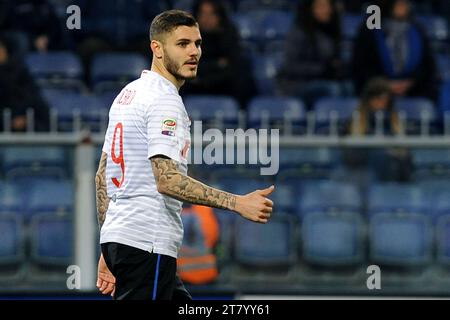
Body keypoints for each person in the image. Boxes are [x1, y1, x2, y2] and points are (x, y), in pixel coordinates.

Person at [95, 10, 274, 300]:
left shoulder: (128, 94)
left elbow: (102, 175)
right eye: (182, 44)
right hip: (147, 243)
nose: (193, 52)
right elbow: (167, 181)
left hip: (128, 240)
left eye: (197, 43)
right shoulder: (164, 100)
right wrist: (237, 202)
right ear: (157, 48)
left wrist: (110, 241)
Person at [352, 0, 437, 100]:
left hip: (414, 90)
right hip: (376, 91)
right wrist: (385, 84)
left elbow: (428, 66)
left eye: (405, 3)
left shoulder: (418, 30)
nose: (403, 6)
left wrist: (411, 82)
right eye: (399, 3)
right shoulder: (369, 31)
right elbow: (360, 67)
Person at [181, 0, 255, 108]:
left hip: (225, 86)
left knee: (242, 75)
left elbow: (234, 64)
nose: (207, 19)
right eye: (203, 14)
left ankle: (240, 119)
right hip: (194, 87)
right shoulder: (188, 37)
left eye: (211, 14)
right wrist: (217, 64)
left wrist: (205, 70)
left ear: (219, 15)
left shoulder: (229, 34)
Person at [277, 0, 345, 108]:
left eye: (328, 6)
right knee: (333, 89)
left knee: (348, 87)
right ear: (310, 9)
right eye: (321, 6)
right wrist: (322, 69)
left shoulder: (332, 32)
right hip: (297, 85)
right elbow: (290, 66)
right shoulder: (299, 32)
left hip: (323, 80)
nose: (327, 11)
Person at [345, 77, 412, 182]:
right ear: (369, 99)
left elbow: (402, 147)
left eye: (385, 98)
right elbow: (355, 149)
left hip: (391, 163)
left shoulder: (394, 118)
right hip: (366, 163)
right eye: (378, 98)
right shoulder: (358, 117)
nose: (382, 102)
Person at [0, 38, 49, 132]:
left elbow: (33, 98)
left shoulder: (20, 71)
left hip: (30, 121)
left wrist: (25, 119)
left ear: (6, 49)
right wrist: (10, 121)